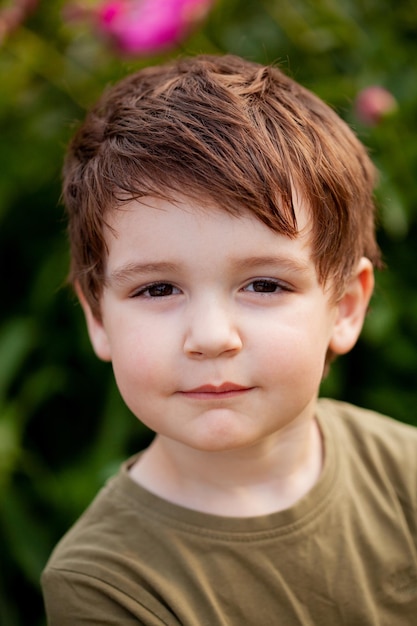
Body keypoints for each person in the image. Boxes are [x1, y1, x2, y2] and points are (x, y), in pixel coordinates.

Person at [41, 54, 417, 625]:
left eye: (264, 284)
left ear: (344, 306)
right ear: (97, 315)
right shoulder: (105, 581)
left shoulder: (406, 476)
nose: (212, 338)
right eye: (158, 289)